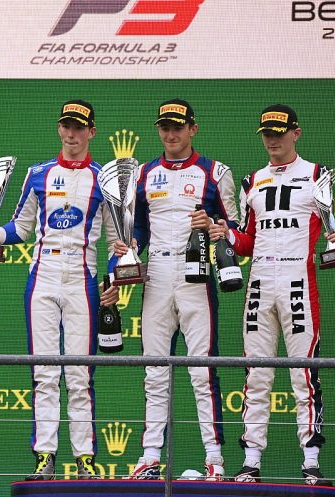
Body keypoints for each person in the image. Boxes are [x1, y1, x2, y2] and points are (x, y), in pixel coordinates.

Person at [210, 104, 335, 486]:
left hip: (297, 279)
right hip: (259, 280)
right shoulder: (251, 181)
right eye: (267, 134)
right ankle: (250, 461)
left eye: (279, 132)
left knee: (304, 373)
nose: (272, 139)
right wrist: (225, 234)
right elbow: (246, 241)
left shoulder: (318, 176)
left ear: (296, 133)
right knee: (256, 373)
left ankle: (311, 461)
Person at [0, 100, 117, 480]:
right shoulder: (38, 174)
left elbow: (118, 240)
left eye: (79, 127)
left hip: (83, 276)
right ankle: (44, 455)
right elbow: (20, 228)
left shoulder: (104, 179)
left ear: (91, 132)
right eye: (66, 126)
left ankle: (85, 458)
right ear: (59, 129)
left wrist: (114, 279)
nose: (71, 134)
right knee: (44, 372)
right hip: (43, 274)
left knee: (80, 374)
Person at [110, 99, 239, 481]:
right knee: (154, 369)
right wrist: (127, 252)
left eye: (178, 127)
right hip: (155, 273)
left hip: (196, 272)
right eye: (165, 127)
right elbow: (137, 228)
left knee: (202, 370)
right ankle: (150, 456)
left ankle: (214, 460)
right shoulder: (144, 174)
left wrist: (215, 225)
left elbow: (236, 228)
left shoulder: (215, 172)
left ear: (192, 129)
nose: (171, 134)